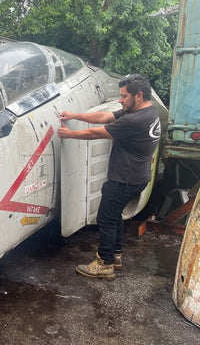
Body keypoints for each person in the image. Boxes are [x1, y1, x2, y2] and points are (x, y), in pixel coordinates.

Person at [57, 74, 161, 280]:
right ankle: (115, 256)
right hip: (137, 176)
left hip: (124, 179)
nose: (120, 100)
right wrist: (74, 116)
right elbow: (105, 117)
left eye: (123, 96)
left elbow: (97, 133)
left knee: (105, 218)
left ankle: (104, 263)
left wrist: (70, 135)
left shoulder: (134, 120)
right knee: (114, 216)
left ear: (138, 95)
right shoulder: (149, 112)